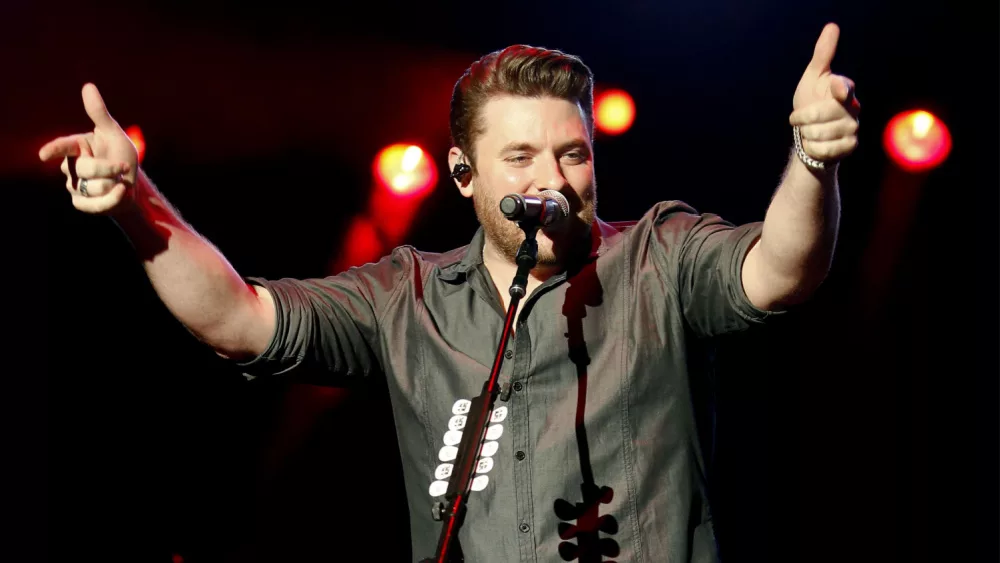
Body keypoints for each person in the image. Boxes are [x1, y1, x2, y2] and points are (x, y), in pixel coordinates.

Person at [40, 22, 859, 563]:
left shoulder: (660, 257)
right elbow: (239, 322)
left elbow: (781, 268)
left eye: (573, 155)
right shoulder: (407, 298)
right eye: (523, 158)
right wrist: (136, 205)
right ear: (464, 175)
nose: (555, 181)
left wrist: (813, 161)